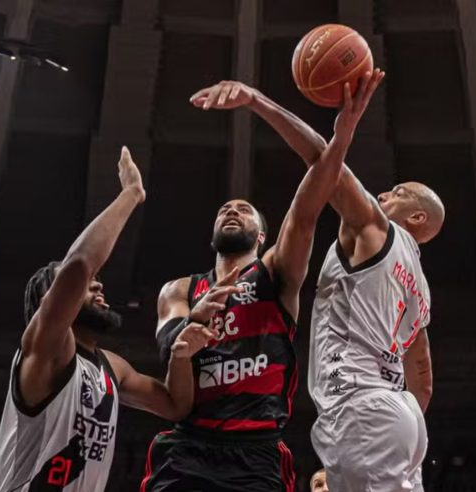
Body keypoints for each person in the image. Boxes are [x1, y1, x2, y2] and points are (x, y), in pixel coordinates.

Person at [138, 72, 383, 492]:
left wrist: (335, 138)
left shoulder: (275, 273)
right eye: (224, 210)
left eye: (244, 210)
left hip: (256, 452)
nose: (232, 211)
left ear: (263, 235)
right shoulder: (179, 290)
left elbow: (308, 205)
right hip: (189, 447)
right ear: (212, 232)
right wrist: (194, 320)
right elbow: (170, 349)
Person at [196, 77, 443, 491]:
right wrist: (397, 422)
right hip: (400, 414)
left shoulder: (374, 227)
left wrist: (259, 101)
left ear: (417, 219)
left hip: (360, 401)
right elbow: (424, 381)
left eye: (397, 192)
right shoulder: (419, 286)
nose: (383, 193)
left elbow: (320, 160)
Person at [0, 147, 217, 492]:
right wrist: (130, 194)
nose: (97, 283)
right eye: (82, 287)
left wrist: (181, 355)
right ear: (49, 302)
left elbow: (175, 405)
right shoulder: (45, 349)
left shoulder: (111, 368)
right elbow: (79, 265)